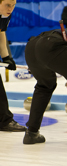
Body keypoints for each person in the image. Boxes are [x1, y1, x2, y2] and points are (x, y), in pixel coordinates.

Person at [0, 0, 27, 132]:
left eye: (13, 5)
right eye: (7, 5)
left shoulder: (4, 15)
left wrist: (6, 57)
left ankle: (4, 120)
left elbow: (1, 33)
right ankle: (5, 121)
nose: (11, 8)